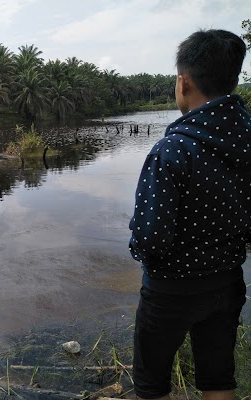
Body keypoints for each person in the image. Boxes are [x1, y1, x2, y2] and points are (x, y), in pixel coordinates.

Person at [129, 29, 250, 400]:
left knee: (152, 386)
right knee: (218, 381)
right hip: (227, 284)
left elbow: (151, 238)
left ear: (183, 83)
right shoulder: (246, 139)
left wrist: (139, 245)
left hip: (170, 290)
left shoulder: (172, 150)